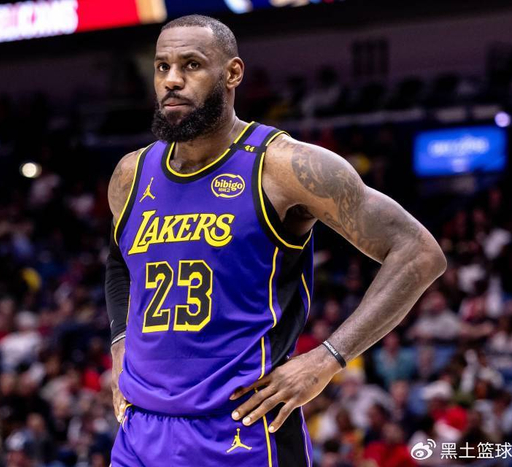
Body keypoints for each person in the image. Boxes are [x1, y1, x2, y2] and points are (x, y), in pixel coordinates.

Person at [104, 14, 446, 466]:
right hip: (141, 431)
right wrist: (120, 342)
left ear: (232, 73)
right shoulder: (131, 173)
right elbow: (119, 260)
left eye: (191, 65)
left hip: (242, 430)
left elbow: (418, 252)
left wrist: (328, 358)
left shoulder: (284, 167)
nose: (172, 80)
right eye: (162, 66)